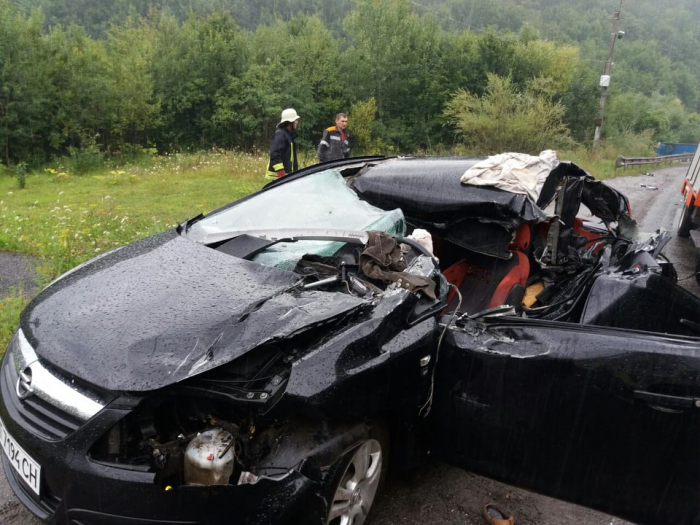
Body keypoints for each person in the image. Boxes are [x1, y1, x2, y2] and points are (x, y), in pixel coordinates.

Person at [265, 108, 300, 179]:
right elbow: (274, 153)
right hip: (279, 176)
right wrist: (281, 173)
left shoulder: (289, 135)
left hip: (286, 175)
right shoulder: (280, 134)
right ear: (290, 122)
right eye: (295, 120)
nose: (297, 122)